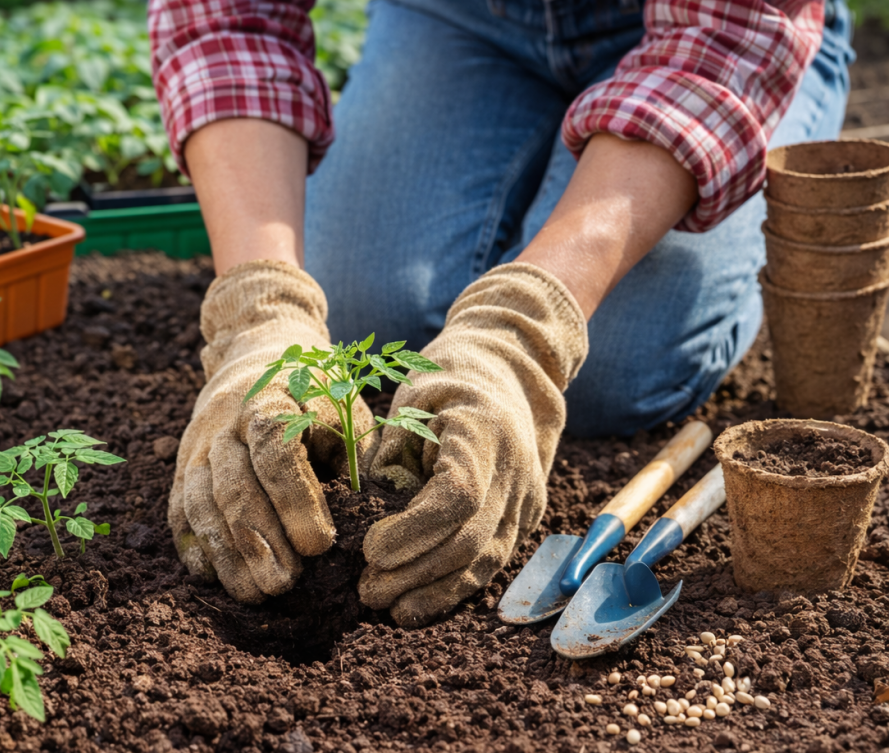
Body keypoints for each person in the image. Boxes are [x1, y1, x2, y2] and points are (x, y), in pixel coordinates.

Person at [148, 0, 854, 627]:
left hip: (715, 37)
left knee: (613, 366)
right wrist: (260, 313)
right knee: (370, 312)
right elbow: (223, 18)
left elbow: (726, 35)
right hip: (463, 18)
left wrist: (522, 326)